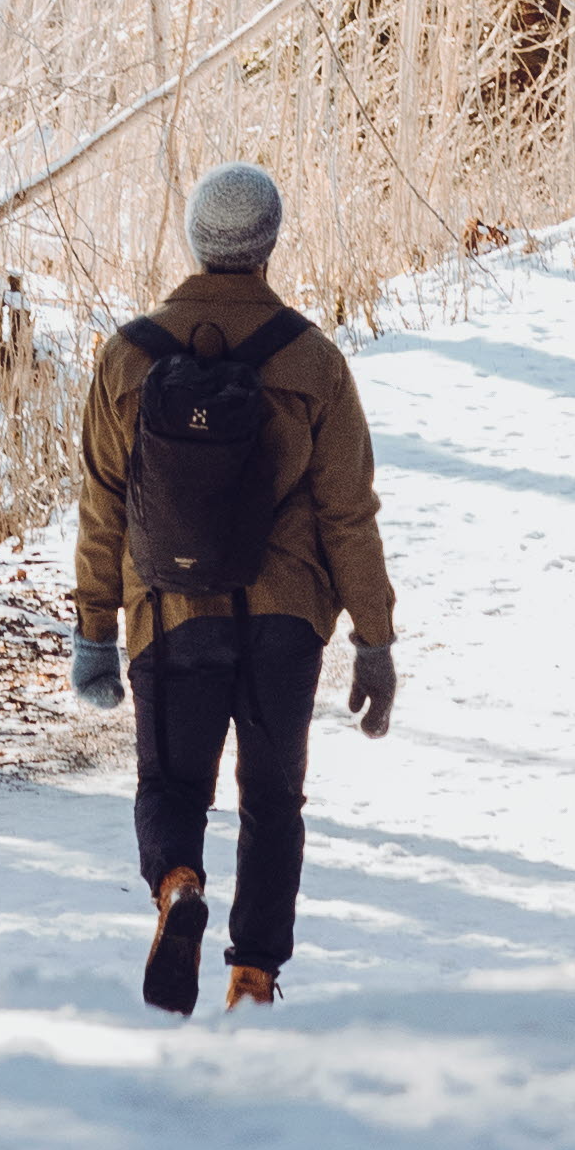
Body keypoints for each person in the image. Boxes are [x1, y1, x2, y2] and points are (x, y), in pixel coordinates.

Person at [67, 160, 395, 1016]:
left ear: (195, 239)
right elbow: (347, 514)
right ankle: (251, 976)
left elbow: (101, 505)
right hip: (285, 619)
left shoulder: (126, 357)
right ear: (268, 244)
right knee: (272, 799)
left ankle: (177, 884)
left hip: (172, 615)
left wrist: (95, 630)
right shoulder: (313, 362)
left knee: (171, 786)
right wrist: (374, 637)